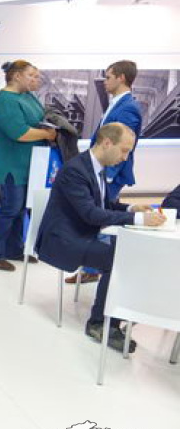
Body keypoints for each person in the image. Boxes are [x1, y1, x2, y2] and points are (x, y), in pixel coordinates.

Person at [36, 123, 164, 353]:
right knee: (117, 260)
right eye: (124, 150)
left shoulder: (95, 167)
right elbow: (91, 214)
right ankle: (100, 324)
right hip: (64, 240)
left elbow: (104, 204)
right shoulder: (75, 170)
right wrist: (139, 219)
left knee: (129, 252)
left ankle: (118, 310)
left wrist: (132, 209)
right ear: (107, 143)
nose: (125, 158)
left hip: (83, 233)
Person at [67, 61, 144, 286]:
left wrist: (107, 175)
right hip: (101, 170)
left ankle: (97, 267)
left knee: (100, 217)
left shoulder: (128, 107)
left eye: (108, 77)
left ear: (121, 78)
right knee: (100, 216)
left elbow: (122, 145)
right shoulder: (117, 103)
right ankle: (95, 266)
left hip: (108, 173)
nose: (104, 81)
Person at [0, 61, 57, 271]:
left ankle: (14, 249)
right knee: (10, 208)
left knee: (20, 209)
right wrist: (47, 134)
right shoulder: (5, 101)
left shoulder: (27, 96)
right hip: (11, 164)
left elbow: (39, 118)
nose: (36, 79)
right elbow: (20, 133)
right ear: (16, 76)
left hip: (28, 163)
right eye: (31, 75)